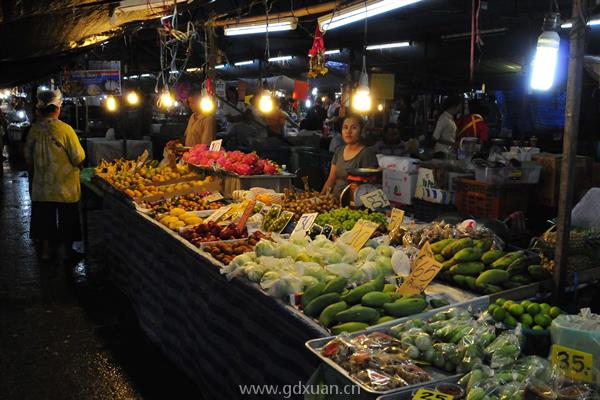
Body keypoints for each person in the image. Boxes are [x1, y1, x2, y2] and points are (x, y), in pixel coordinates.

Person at [24, 89, 85, 261]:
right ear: (57, 108)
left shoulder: (33, 130)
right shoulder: (66, 130)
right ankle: (67, 251)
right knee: (67, 218)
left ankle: (45, 251)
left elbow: (28, 157)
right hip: (65, 186)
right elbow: (78, 157)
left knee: (44, 218)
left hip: (42, 186)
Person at [322, 115, 378, 198]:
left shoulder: (367, 153)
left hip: (354, 204)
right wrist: (320, 197)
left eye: (354, 128)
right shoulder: (339, 151)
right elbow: (331, 179)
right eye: (345, 127)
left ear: (361, 131)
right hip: (334, 200)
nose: (348, 131)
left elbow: (369, 186)